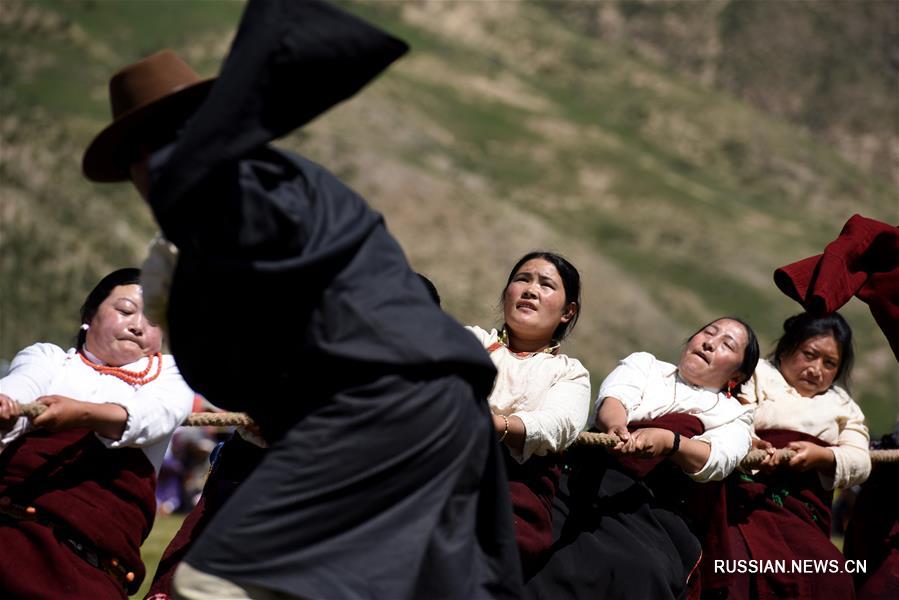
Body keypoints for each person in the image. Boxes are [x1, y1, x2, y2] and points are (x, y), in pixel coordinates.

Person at [81, 2, 522, 598]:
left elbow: (238, 360)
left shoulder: (217, 193)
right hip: (445, 408)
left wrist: (186, 299)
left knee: (216, 587)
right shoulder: (292, 185)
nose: (142, 175)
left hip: (378, 405)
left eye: (142, 155)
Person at [525, 316, 760, 598]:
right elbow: (614, 399)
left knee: (641, 569)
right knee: (541, 532)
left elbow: (717, 459)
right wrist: (616, 428)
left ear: (737, 376)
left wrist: (670, 443)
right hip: (585, 479)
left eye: (727, 345)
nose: (710, 343)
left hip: (653, 510)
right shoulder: (646, 365)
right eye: (708, 333)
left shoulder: (735, 415)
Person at [0, 267, 194, 598]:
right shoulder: (49, 358)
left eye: (153, 319)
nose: (137, 325)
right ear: (90, 315)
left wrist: (80, 414)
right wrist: (7, 408)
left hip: (90, 574)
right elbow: (21, 387)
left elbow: (151, 417)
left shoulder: (171, 374)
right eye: (125, 311)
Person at [701, 312, 870, 600]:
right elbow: (735, 415)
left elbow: (860, 460)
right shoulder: (756, 375)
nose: (816, 369)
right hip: (747, 501)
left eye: (829, 364)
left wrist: (823, 457)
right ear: (787, 348)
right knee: (735, 568)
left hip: (803, 510)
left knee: (832, 578)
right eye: (809, 354)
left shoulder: (844, 406)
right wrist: (751, 443)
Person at [466, 251, 591, 577]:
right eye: (522, 279)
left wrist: (496, 424)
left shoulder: (570, 374)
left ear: (568, 312)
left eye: (546, 285)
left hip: (513, 495)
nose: (530, 290)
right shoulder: (471, 341)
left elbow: (559, 424)